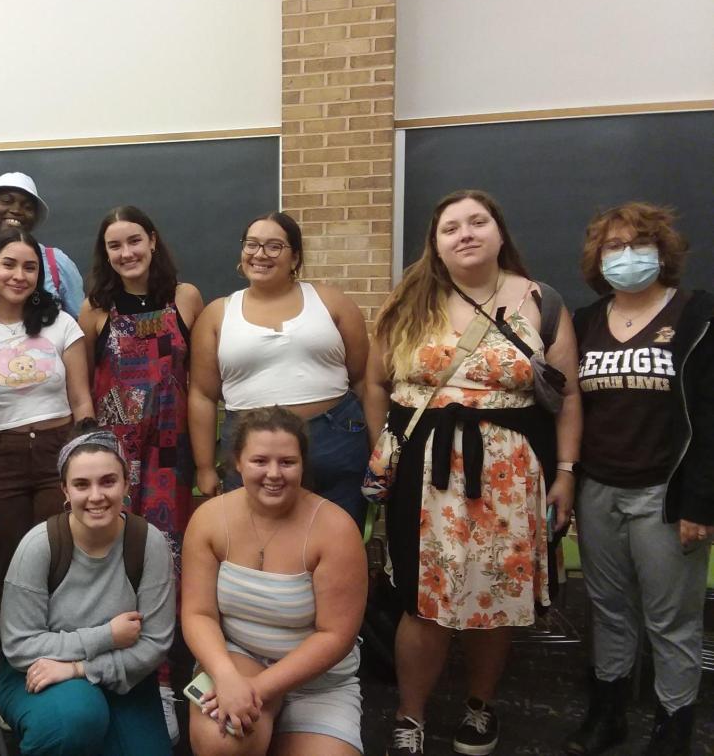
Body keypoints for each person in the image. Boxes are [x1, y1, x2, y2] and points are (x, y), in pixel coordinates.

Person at [363, 189, 580, 756]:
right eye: (450, 227)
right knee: (423, 599)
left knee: (496, 595)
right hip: (423, 470)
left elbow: (568, 394)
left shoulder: (541, 300)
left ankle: (480, 709)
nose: (466, 233)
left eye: (477, 221)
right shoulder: (408, 301)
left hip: (512, 473)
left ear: (499, 230)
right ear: (435, 243)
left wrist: (565, 470)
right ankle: (410, 716)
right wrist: (385, 451)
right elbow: (374, 385)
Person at [564, 202, 713, 756]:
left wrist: (701, 502)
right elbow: (571, 410)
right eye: (613, 247)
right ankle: (608, 716)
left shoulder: (699, 316)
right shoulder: (583, 321)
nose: (626, 257)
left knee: (671, 619)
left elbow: (711, 417)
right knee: (607, 609)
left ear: (662, 251)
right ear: (597, 258)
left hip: (666, 495)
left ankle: (673, 727)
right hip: (599, 490)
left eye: (638, 245)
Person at [78, 204, 204, 742]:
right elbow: (82, 383)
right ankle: (120, 673)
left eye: (134, 240)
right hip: (117, 457)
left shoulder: (188, 298)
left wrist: (205, 462)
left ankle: (166, 682)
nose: (126, 253)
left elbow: (202, 380)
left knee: (170, 564)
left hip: (172, 458)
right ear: (105, 254)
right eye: (114, 245)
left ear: (152, 240)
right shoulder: (94, 308)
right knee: (116, 560)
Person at [181, 406, 367, 756]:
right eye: (260, 461)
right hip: (237, 659)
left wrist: (257, 690)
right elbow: (198, 613)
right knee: (222, 740)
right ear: (237, 462)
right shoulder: (208, 519)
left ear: (302, 464)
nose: (273, 473)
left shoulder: (336, 528)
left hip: (318, 680)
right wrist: (225, 676)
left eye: (287, 462)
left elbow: (336, 635)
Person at [0, 421, 176, 756]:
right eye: (82, 484)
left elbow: (155, 644)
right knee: (76, 719)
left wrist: (81, 669)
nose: (96, 496)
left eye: (108, 481)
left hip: (122, 675)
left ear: (126, 483)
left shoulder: (147, 543)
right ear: (65, 490)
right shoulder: (40, 546)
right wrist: (106, 635)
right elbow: (20, 645)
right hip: (37, 671)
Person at [189, 211, 371, 528]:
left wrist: (377, 451)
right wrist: (205, 466)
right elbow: (203, 395)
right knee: (255, 544)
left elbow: (363, 378)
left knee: (338, 537)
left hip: (333, 441)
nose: (260, 254)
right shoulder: (217, 314)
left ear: (295, 257)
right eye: (252, 245)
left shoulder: (331, 302)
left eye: (274, 246)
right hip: (249, 449)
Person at [0, 228, 93, 624]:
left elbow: (82, 402)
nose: (19, 275)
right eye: (9, 264)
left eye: (30, 268)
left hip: (58, 455)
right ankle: (5, 671)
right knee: (7, 571)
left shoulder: (61, 324)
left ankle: (64, 662)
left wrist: (85, 467)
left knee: (62, 561)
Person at [0, 172, 84, 319]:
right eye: (6, 201)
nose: (16, 210)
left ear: (35, 217)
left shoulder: (57, 262)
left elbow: (81, 322)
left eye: (28, 207)